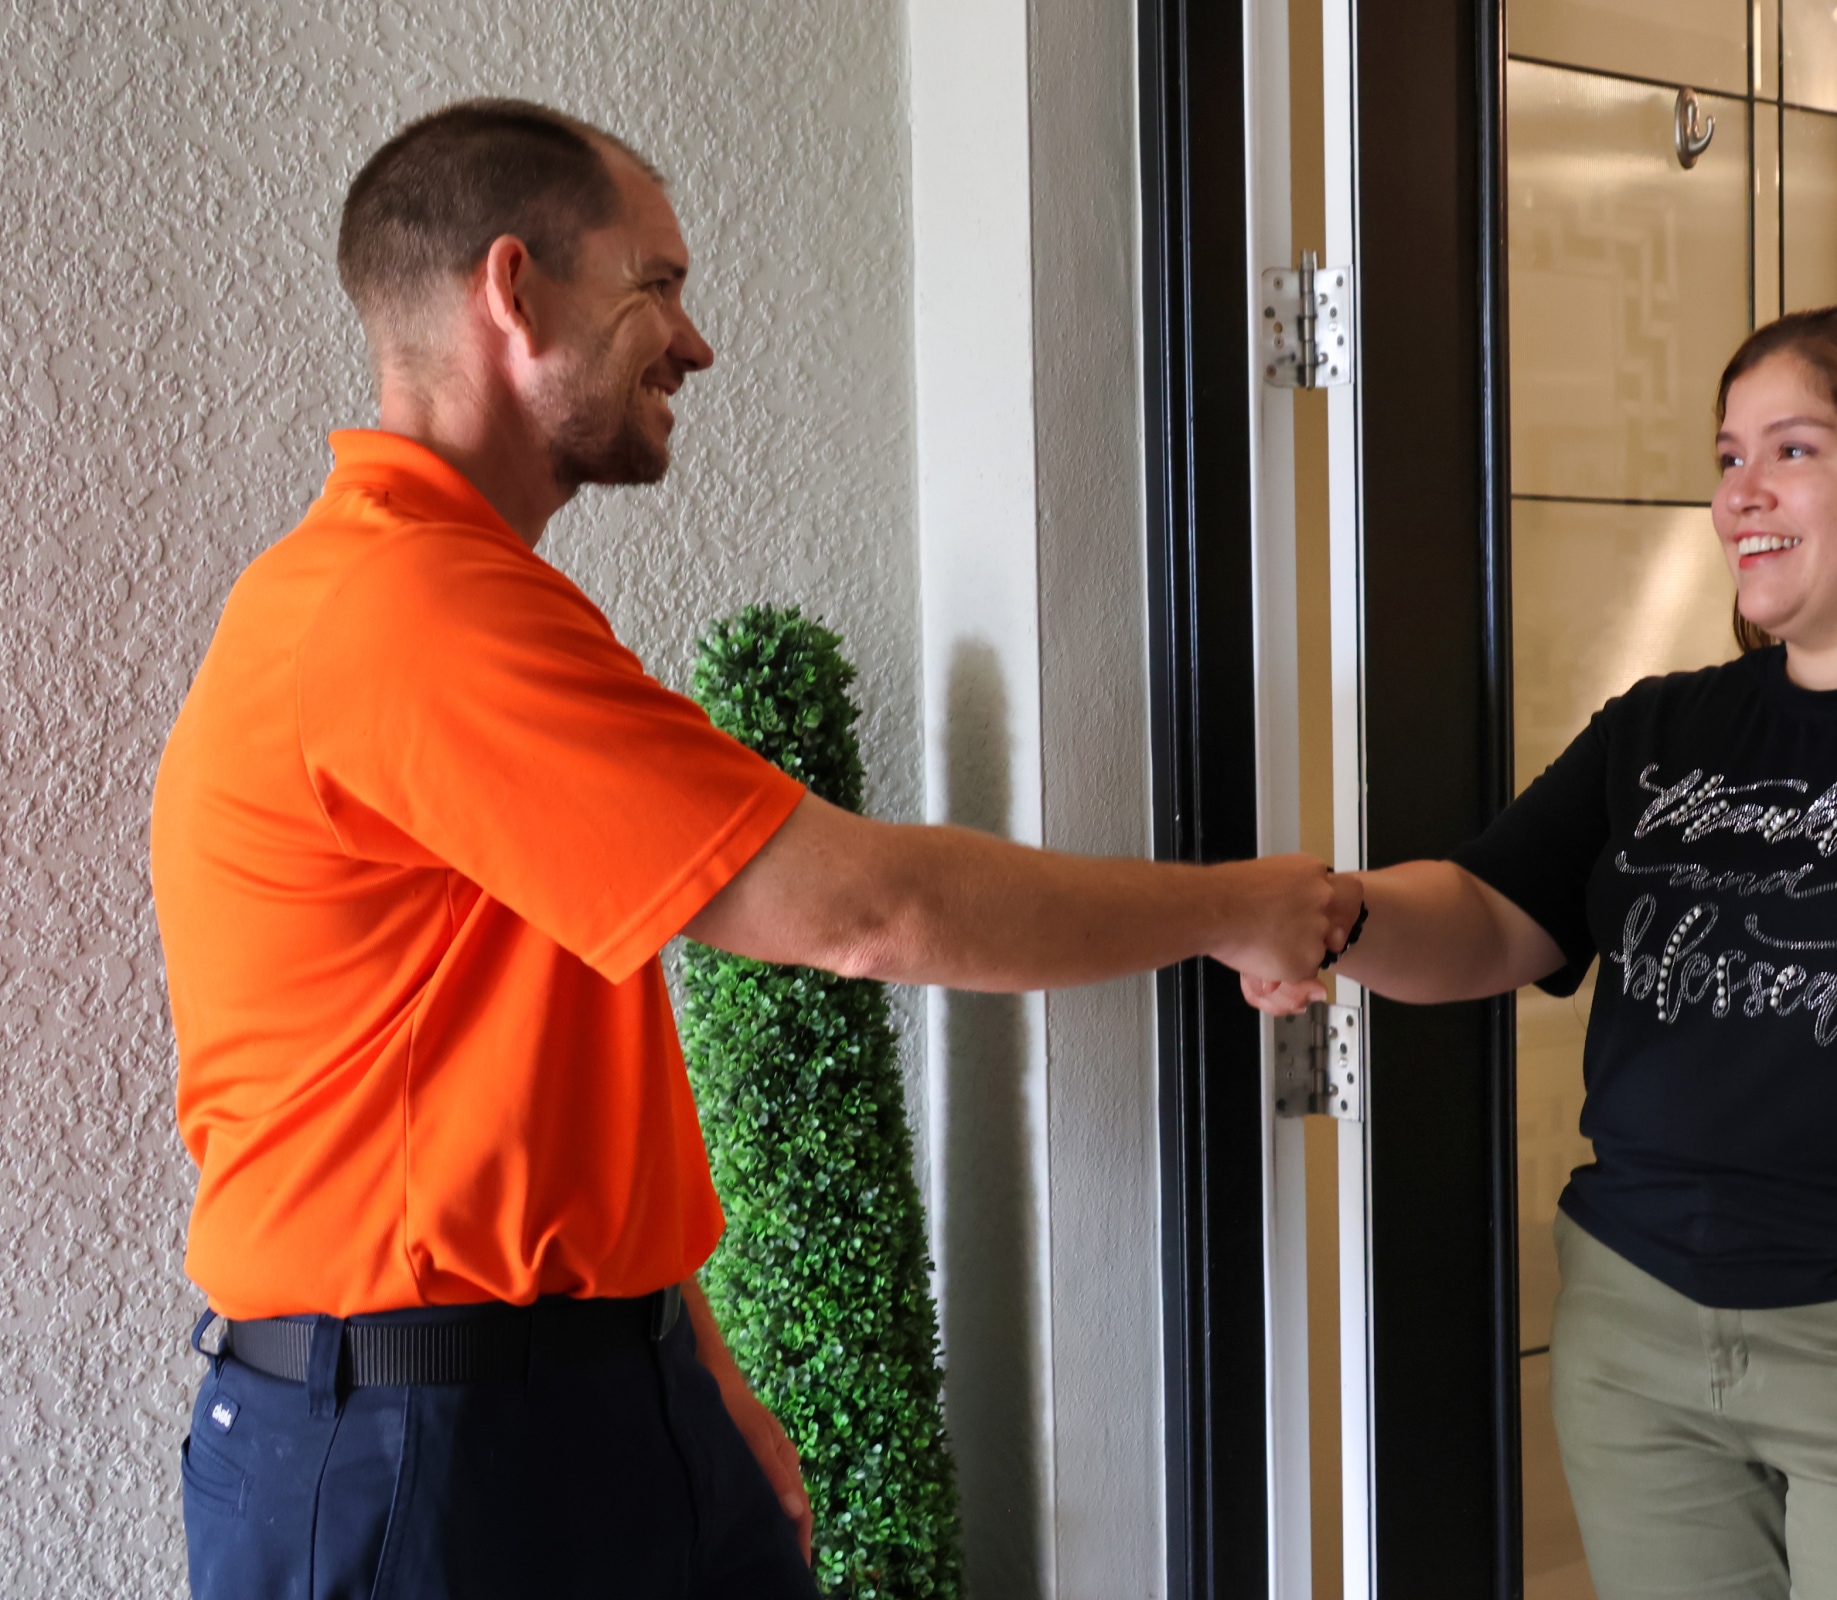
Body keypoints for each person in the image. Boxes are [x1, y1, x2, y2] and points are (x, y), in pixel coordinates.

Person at [151, 99, 1359, 1600]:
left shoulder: (457, 599)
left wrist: (690, 1366)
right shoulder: (407, 616)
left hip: (586, 1388)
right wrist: (1238, 907)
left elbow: (556, 1076)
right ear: (512, 291)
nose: (695, 341)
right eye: (654, 282)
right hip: (425, 1452)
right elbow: (868, 909)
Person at [1248, 305, 1837, 1599]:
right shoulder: (1668, 726)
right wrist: (1332, 908)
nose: (1740, 495)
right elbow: (1489, 912)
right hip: (1636, 1327)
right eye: (1725, 456)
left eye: (1792, 451)